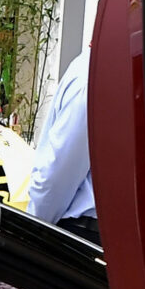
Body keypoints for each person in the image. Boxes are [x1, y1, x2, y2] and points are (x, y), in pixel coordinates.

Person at [26, 49, 96, 243]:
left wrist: (30, 228)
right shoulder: (129, 68)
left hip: (77, 231)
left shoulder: (88, 74)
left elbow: (59, 171)